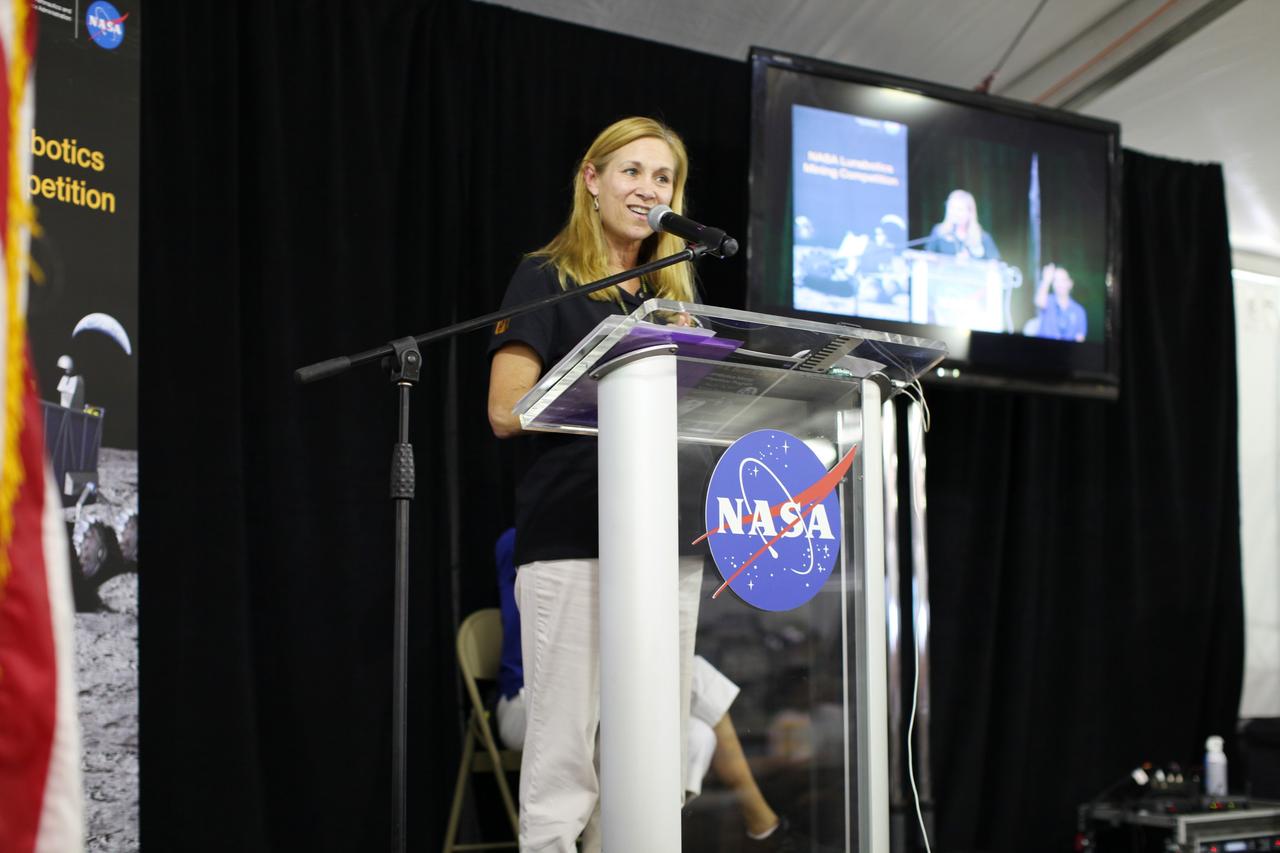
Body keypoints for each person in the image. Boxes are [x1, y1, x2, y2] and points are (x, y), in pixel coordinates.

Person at [486, 117, 705, 853]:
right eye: (631, 171)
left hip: (666, 544)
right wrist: (608, 391)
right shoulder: (546, 278)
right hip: (572, 538)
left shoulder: (672, 300)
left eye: (662, 177)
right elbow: (505, 410)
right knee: (564, 764)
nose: (648, 189)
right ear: (592, 180)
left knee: (652, 758)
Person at [491, 529, 794, 850]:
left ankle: (650, 835)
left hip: (607, 695)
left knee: (696, 736)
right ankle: (761, 820)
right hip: (528, 697)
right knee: (688, 672)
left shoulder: (641, 537)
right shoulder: (529, 540)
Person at [924, 189, 1000, 260]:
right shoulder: (939, 232)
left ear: (970, 213)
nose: (955, 213)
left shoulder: (982, 237)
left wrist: (970, 261)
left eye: (960, 209)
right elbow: (927, 259)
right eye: (952, 208)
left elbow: (995, 264)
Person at [1032, 263, 1087, 341]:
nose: (1059, 284)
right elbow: (1038, 302)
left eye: (1063, 280)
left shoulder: (1079, 311)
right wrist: (1046, 280)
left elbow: (1080, 338)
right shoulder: (1047, 300)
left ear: (1070, 283)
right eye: (1056, 280)